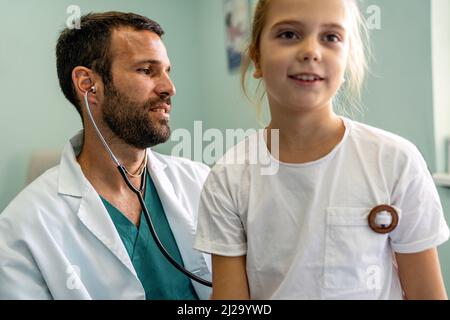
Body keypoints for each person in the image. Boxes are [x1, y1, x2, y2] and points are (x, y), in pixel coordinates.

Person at [194, 0, 449, 299]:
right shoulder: (228, 179)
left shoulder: (395, 162)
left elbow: (426, 293)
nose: (311, 51)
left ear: (348, 59)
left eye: (330, 37)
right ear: (257, 59)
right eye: (288, 34)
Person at [0, 12, 211, 300]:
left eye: (167, 71)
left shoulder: (202, 182)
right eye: (147, 70)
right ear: (88, 84)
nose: (169, 88)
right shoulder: (22, 228)